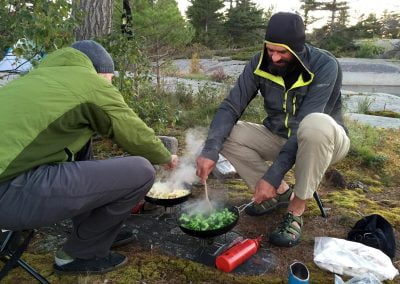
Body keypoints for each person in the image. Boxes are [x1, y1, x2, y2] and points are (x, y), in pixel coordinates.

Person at [0, 40, 178, 274]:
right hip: (8, 194)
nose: (111, 84)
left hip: (11, 179)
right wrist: (166, 157)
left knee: (80, 141)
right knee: (141, 171)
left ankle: (94, 229)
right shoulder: (90, 83)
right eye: (111, 79)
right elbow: (131, 130)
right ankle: (79, 254)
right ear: (100, 72)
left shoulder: (33, 79)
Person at [196, 12, 350, 247]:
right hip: (279, 135)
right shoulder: (259, 62)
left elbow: (304, 126)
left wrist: (273, 173)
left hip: (325, 140)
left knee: (314, 125)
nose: (274, 57)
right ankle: (279, 193)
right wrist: (210, 150)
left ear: (298, 50)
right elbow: (231, 106)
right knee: (226, 132)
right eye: (271, 50)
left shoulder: (325, 66)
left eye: (282, 52)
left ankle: (296, 210)